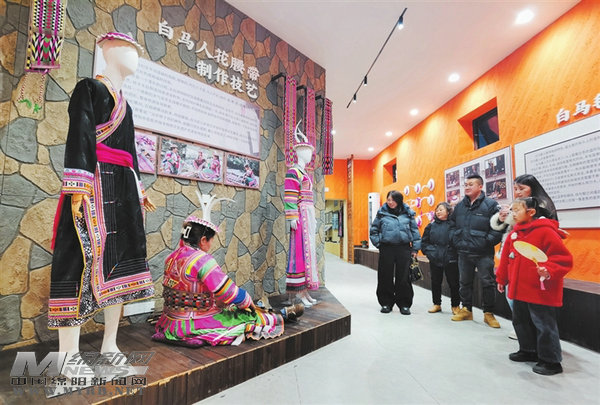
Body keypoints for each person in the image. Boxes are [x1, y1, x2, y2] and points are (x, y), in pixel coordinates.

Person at [49, 32, 156, 371]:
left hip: (123, 190)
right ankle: (68, 355)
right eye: (128, 49)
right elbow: (79, 136)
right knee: (77, 260)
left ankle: (110, 342)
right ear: (109, 51)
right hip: (92, 184)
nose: (135, 55)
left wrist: (139, 189)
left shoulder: (127, 106)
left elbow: (131, 153)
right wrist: (77, 185)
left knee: (121, 262)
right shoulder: (89, 89)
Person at [153, 214, 303, 347]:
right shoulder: (201, 261)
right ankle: (278, 315)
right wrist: (246, 300)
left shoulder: (172, 257)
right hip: (192, 323)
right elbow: (227, 292)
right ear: (203, 240)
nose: (211, 244)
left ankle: (271, 312)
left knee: (229, 307)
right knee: (244, 317)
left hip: (171, 320)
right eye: (211, 240)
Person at [496, 197, 572, 375]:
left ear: (531, 212)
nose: (513, 214)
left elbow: (563, 259)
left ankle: (551, 361)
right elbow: (506, 259)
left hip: (539, 289)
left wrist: (549, 270)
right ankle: (528, 350)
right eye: (512, 210)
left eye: (517, 210)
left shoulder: (546, 232)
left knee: (544, 324)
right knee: (520, 320)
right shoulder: (514, 234)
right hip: (519, 288)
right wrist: (501, 279)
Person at [490, 174, 559, 339]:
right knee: (513, 296)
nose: (518, 192)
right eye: (515, 189)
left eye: (522, 188)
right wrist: (503, 217)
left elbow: (534, 230)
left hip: (532, 258)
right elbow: (504, 227)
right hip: (515, 255)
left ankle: (534, 336)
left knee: (533, 304)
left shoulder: (542, 206)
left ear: (532, 188)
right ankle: (524, 332)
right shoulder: (520, 204)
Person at [449, 174, 503, 327]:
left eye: (470, 184)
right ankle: (466, 310)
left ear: (480, 186)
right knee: (464, 282)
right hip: (463, 251)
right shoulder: (460, 206)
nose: (467, 187)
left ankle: (488, 313)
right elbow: (452, 225)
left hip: (483, 252)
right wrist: (456, 240)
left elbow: (498, 227)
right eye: (465, 184)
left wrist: (486, 242)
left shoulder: (491, 205)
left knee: (487, 282)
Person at [369, 190, 422, 315]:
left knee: (403, 277)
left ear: (399, 201)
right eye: (388, 200)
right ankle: (386, 303)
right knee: (385, 276)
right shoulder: (382, 213)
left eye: (393, 200)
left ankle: (404, 304)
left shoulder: (408, 213)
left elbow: (415, 232)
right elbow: (374, 230)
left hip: (404, 248)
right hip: (386, 248)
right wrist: (379, 244)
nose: (390, 202)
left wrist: (415, 249)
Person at [284, 122, 318, 307]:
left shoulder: (304, 173)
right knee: (299, 252)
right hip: (300, 215)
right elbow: (290, 194)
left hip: (307, 215)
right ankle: (298, 292)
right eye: (307, 151)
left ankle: (304, 291)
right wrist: (292, 216)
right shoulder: (293, 172)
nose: (310, 155)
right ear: (300, 152)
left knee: (307, 251)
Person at [421, 202, 460, 315]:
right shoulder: (431, 226)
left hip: (451, 258)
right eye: (437, 210)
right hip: (435, 258)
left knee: (454, 283)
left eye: (441, 210)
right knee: (435, 282)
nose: (438, 212)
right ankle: (436, 304)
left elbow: (459, 241)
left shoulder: (454, 225)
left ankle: (455, 305)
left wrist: (454, 253)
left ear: (448, 211)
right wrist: (430, 253)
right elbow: (424, 242)